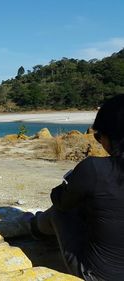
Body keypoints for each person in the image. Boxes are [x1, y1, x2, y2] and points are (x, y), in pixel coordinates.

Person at [28, 94, 124, 280]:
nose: (99, 141)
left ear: (110, 137)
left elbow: (60, 201)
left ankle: (35, 227)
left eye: (98, 136)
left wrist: (72, 181)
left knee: (60, 212)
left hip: (97, 274)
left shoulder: (95, 168)